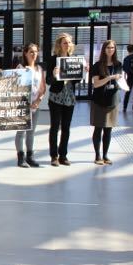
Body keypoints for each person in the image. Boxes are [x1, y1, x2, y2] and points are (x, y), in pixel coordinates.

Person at [47, 33, 82, 167]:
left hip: (69, 97)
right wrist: (54, 75)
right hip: (56, 97)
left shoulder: (73, 59)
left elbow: (76, 80)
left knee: (66, 128)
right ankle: (54, 156)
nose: (67, 45)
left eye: (69, 42)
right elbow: (48, 81)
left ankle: (63, 155)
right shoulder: (53, 60)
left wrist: (82, 72)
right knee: (55, 127)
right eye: (65, 43)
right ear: (59, 45)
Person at [91, 40, 122, 165]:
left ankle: (105, 155)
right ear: (104, 49)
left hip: (113, 100)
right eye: (108, 47)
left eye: (112, 48)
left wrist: (123, 83)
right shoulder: (97, 65)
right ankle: (97, 156)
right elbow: (96, 84)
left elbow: (120, 81)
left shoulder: (118, 64)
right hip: (99, 100)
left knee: (108, 129)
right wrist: (109, 78)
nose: (110, 50)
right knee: (98, 128)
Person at [15, 43, 46, 168]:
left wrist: (38, 101)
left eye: (36, 51)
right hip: (23, 105)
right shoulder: (20, 68)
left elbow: (42, 88)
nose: (34, 54)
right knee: (21, 132)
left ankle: (30, 156)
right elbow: (16, 88)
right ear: (25, 53)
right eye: (31, 52)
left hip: (35, 105)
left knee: (31, 132)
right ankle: (20, 157)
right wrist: (25, 102)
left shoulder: (39, 69)